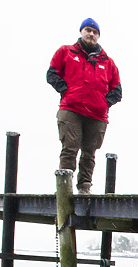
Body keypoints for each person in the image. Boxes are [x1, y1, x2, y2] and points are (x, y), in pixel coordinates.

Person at [46, 18, 122, 194]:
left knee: (89, 152)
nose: (91, 34)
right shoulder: (66, 52)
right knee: (70, 147)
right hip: (71, 108)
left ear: (98, 36)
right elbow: (52, 74)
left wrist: (104, 103)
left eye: (95, 32)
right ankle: (64, 187)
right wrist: (65, 90)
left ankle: (84, 187)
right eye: (88, 30)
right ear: (81, 32)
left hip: (97, 114)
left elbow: (117, 90)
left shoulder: (108, 63)